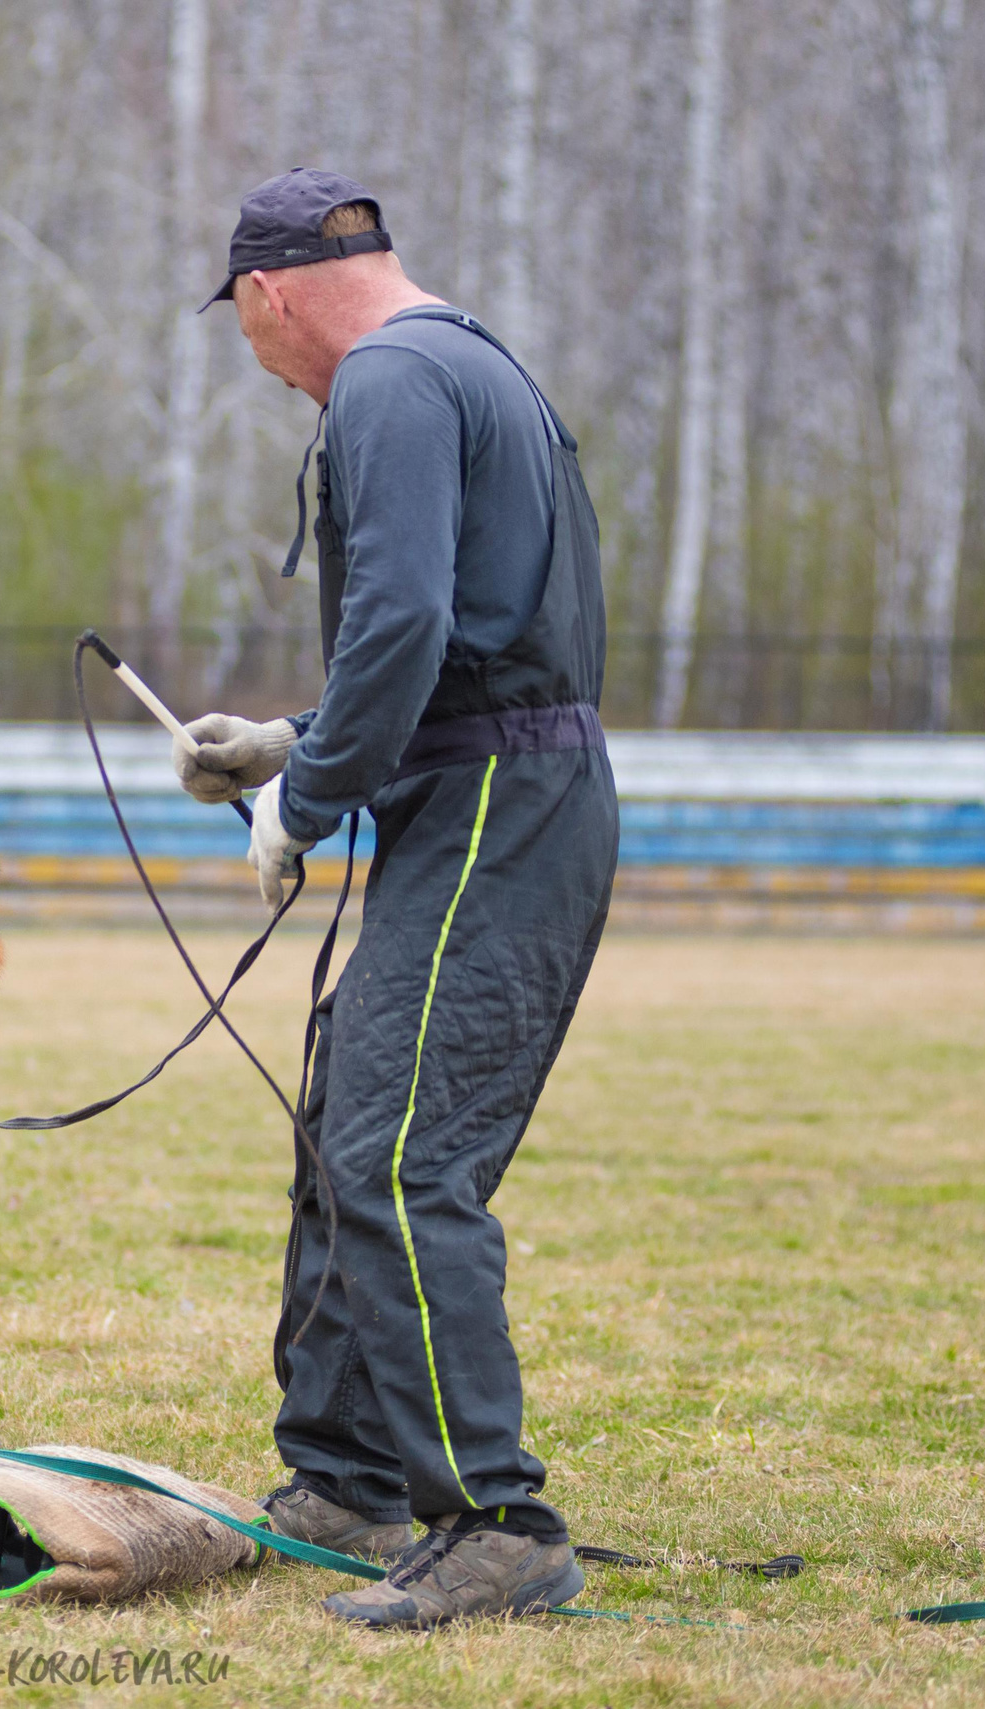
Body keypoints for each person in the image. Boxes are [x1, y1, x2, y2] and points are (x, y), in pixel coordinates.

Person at [175, 169, 619, 1628]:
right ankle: (347, 1478)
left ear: (268, 292)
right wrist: (294, 740)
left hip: (498, 811)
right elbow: (477, 644)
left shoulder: (386, 379)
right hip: (497, 788)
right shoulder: (464, 357)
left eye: (250, 334)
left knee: (399, 1158)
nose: (267, 366)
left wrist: (302, 799)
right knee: (346, 1129)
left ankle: (496, 1524)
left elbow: (408, 618)